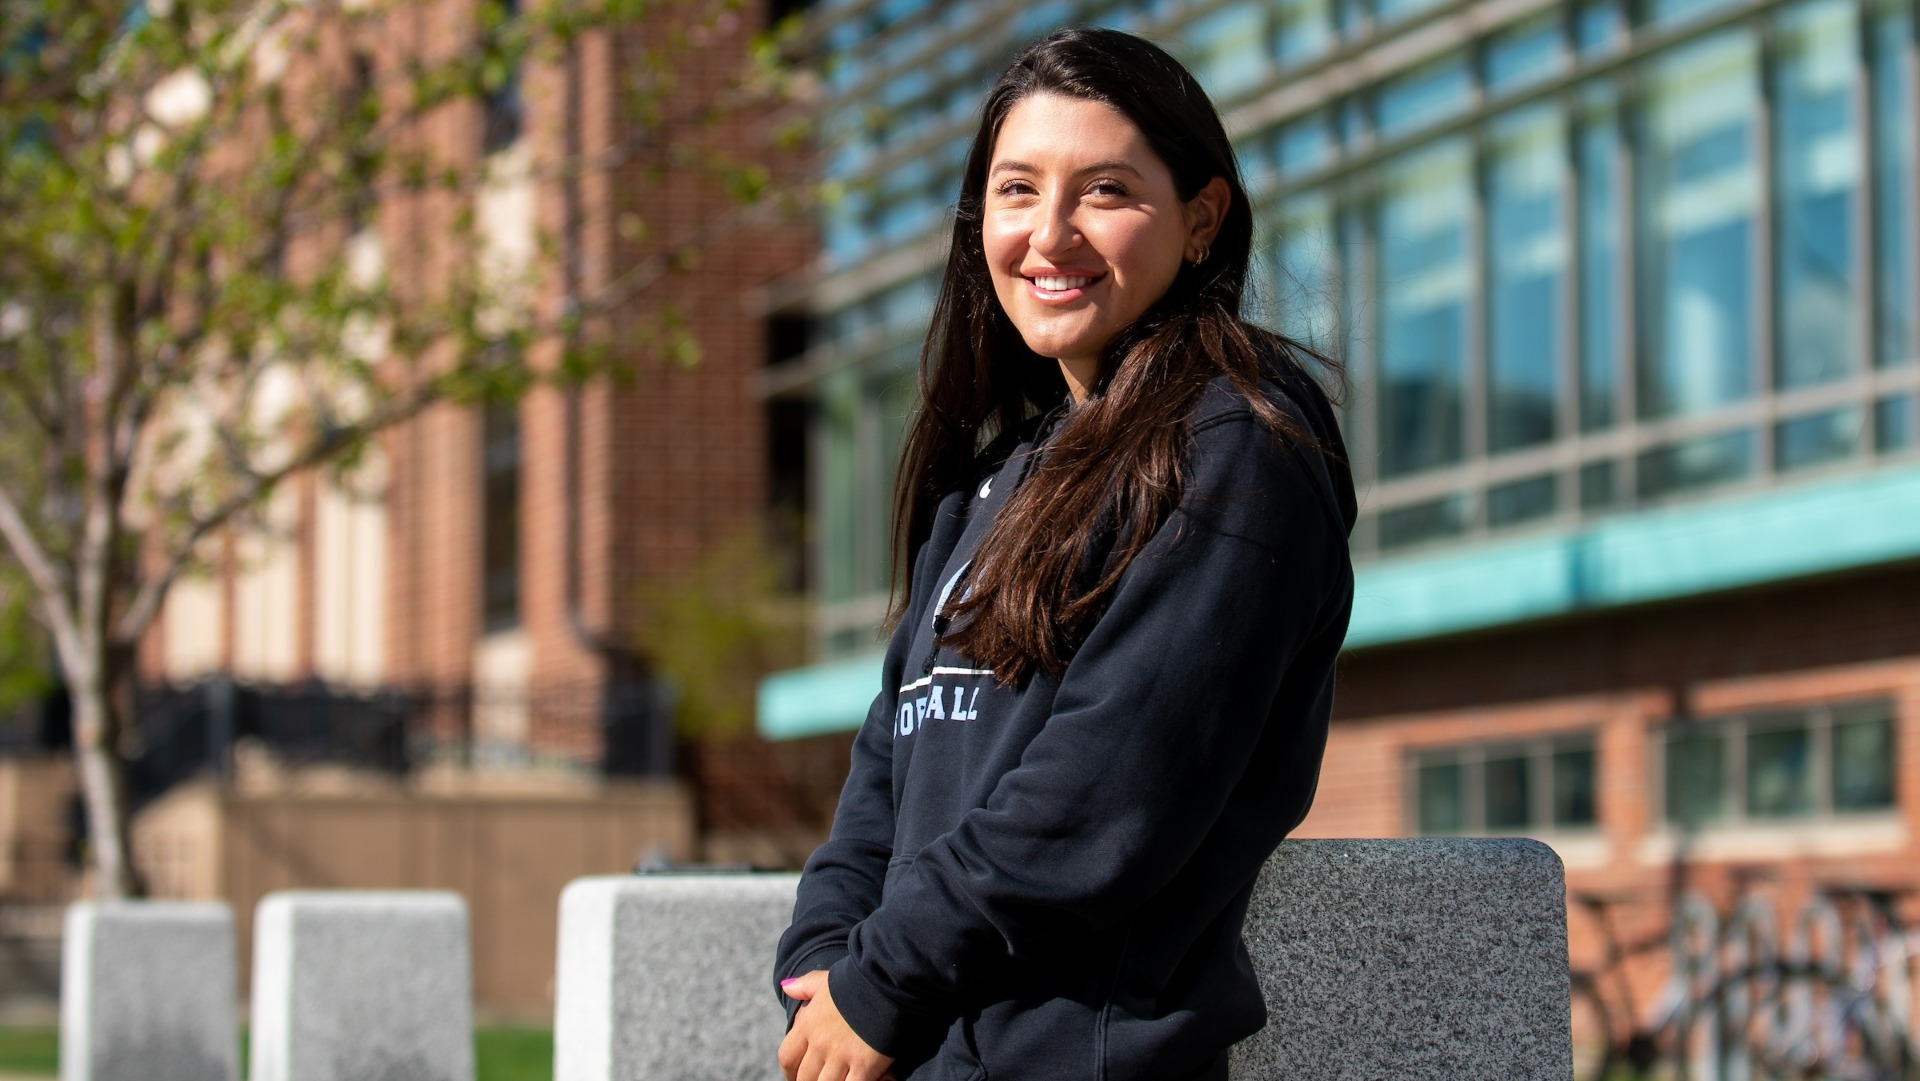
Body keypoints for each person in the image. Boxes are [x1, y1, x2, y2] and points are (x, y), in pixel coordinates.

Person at [774, 26, 1356, 1081]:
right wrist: (823, 959)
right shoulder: (992, 483)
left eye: (1105, 191)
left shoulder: (1238, 443)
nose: (1050, 234)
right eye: (1017, 190)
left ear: (1202, 220)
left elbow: (1108, 788)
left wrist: (886, 977)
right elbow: (887, 771)